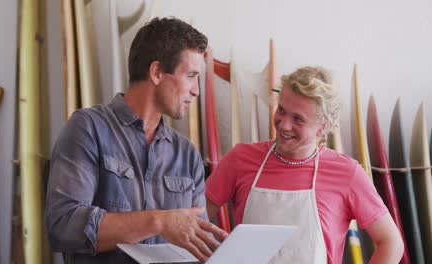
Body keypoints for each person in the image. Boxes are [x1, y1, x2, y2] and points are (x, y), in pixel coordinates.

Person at [45, 17, 228, 264]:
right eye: (191, 75)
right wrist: (159, 221)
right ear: (156, 72)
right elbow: (63, 225)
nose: (196, 90)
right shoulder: (88, 129)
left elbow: (199, 245)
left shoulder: (187, 155)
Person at [205, 66, 404, 263]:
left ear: (322, 127)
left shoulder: (347, 174)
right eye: (281, 110)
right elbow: (194, 226)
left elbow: (392, 243)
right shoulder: (240, 159)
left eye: (298, 119)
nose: (284, 125)